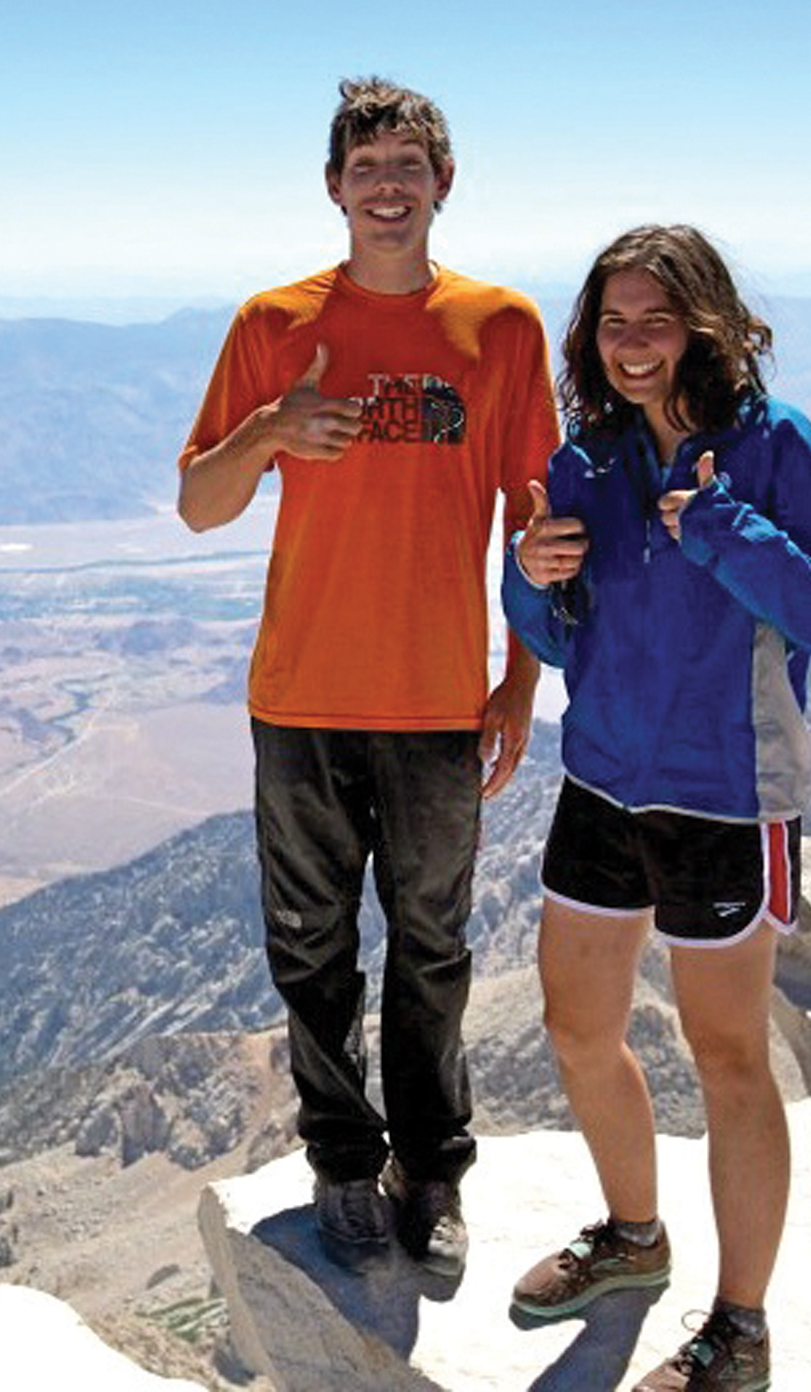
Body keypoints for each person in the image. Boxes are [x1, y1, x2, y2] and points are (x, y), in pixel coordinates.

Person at [175, 77, 559, 1274]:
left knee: (434, 945)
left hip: (441, 697)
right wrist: (271, 429)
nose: (387, 186)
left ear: (443, 184)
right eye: (366, 167)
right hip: (299, 694)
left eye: (409, 165)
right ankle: (345, 1164)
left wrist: (519, 684)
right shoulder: (273, 323)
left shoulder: (502, 327)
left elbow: (534, 524)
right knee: (313, 949)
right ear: (334, 188)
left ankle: (430, 1172)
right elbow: (199, 502)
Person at [502, 225, 811, 1389]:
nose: (631, 344)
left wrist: (726, 530)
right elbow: (554, 635)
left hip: (729, 792)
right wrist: (531, 575)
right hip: (604, 776)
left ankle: (740, 1327)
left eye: (654, 320)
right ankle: (631, 1236)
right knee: (577, 1028)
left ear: (705, 323)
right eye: (612, 322)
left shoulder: (769, 447)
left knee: (726, 1059)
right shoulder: (590, 457)